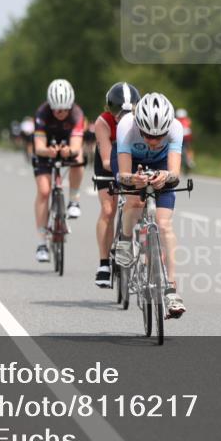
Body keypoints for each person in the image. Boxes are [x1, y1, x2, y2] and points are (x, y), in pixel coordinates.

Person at [112, 92, 186, 318]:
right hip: (132, 163)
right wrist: (133, 179)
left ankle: (172, 289)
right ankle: (125, 240)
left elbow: (175, 173)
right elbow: (122, 174)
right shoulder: (126, 125)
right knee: (134, 200)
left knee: (164, 225)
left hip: (162, 165)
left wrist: (165, 176)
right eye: (147, 135)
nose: (153, 142)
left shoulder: (175, 128)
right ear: (139, 127)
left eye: (159, 137)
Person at [92, 82, 140, 287]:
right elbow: (105, 160)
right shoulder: (103, 122)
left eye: (129, 111)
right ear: (109, 110)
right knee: (108, 209)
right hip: (108, 163)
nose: (123, 116)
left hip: (133, 160)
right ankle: (104, 264)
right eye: (118, 112)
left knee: (139, 203)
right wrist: (126, 175)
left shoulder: (142, 119)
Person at [32, 79, 85, 263]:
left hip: (67, 147)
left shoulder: (77, 114)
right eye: (56, 109)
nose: (59, 113)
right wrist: (48, 151)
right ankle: (41, 243)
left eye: (63, 110)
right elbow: (38, 146)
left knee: (78, 159)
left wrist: (68, 151)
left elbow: (77, 147)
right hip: (45, 151)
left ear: (70, 106)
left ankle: (73, 201)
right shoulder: (42, 113)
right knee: (44, 191)